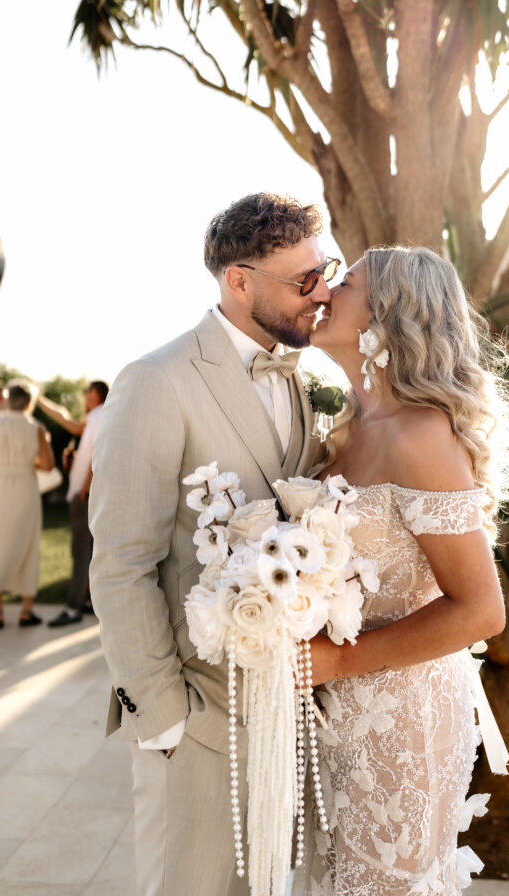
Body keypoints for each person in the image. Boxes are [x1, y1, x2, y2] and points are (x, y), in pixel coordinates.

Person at [88, 193, 337, 896]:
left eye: (326, 271)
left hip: (284, 715)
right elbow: (120, 563)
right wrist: (166, 720)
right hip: (195, 722)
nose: (321, 294)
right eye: (303, 281)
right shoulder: (156, 380)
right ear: (239, 281)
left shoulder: (308, 382)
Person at [293, 247, 509, 896]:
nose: (321, 291)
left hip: (398, 716)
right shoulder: (345, 428)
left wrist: (338, 663)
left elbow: (481, 609)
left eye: (343, 282)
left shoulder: (421, 434)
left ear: (386, 314)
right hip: (333, 710)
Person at [37, 380, 109, 625]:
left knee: (80, 551)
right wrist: (39, 401)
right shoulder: (94, 417)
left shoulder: (99, 416)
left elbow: (100, 453)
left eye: (87, 392)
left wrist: (84, 489)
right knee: (88, 550)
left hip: (85, 494)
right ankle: (89, 600)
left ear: (96, 394)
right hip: (85, 492)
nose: (84, 395)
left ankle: (72, 608)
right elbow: (66, 420)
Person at [0, 381, 55, 627]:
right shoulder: (37, 428)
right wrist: (25, 464)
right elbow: (48, 465)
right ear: (30, 403)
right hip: (26, 491)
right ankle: (26, 611)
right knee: (28, 545)